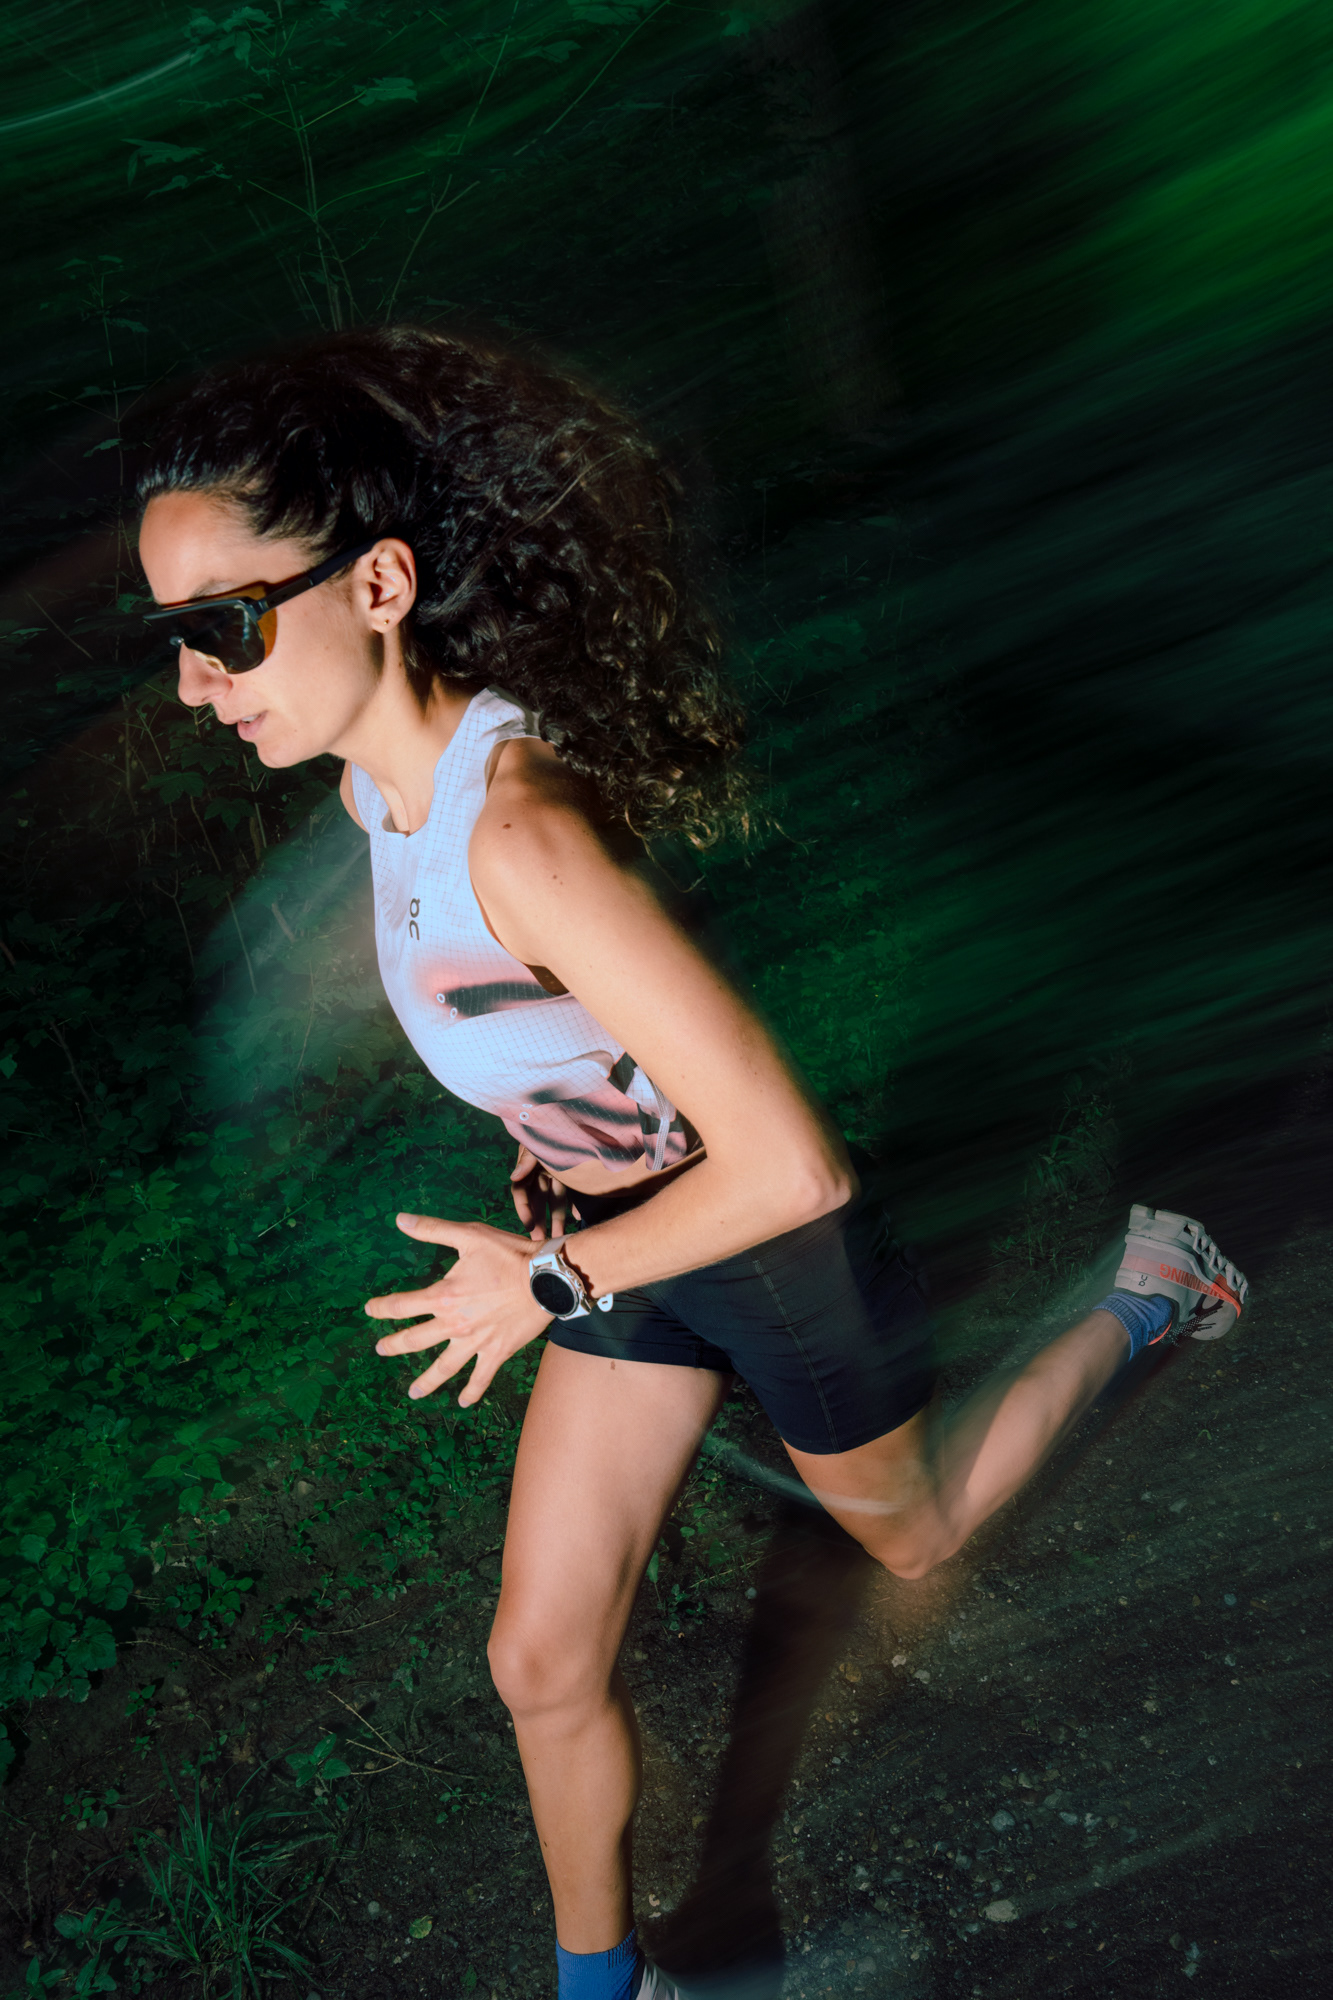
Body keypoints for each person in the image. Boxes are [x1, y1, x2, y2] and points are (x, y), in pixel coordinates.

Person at [135, 324, 1249, 2000]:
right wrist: (552, 1169)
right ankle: (615, 1992)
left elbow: (792, 1168)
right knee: (537, 1660)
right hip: (612, 1249)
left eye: (222, 629)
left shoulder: (516, 827)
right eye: (171, 640)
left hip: (760, 1258)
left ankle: (1156, 1288)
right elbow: (551, 1038)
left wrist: (555, 1272)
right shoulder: (378, 796)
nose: (192, 684)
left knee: (920, 1536)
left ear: (374, 584)